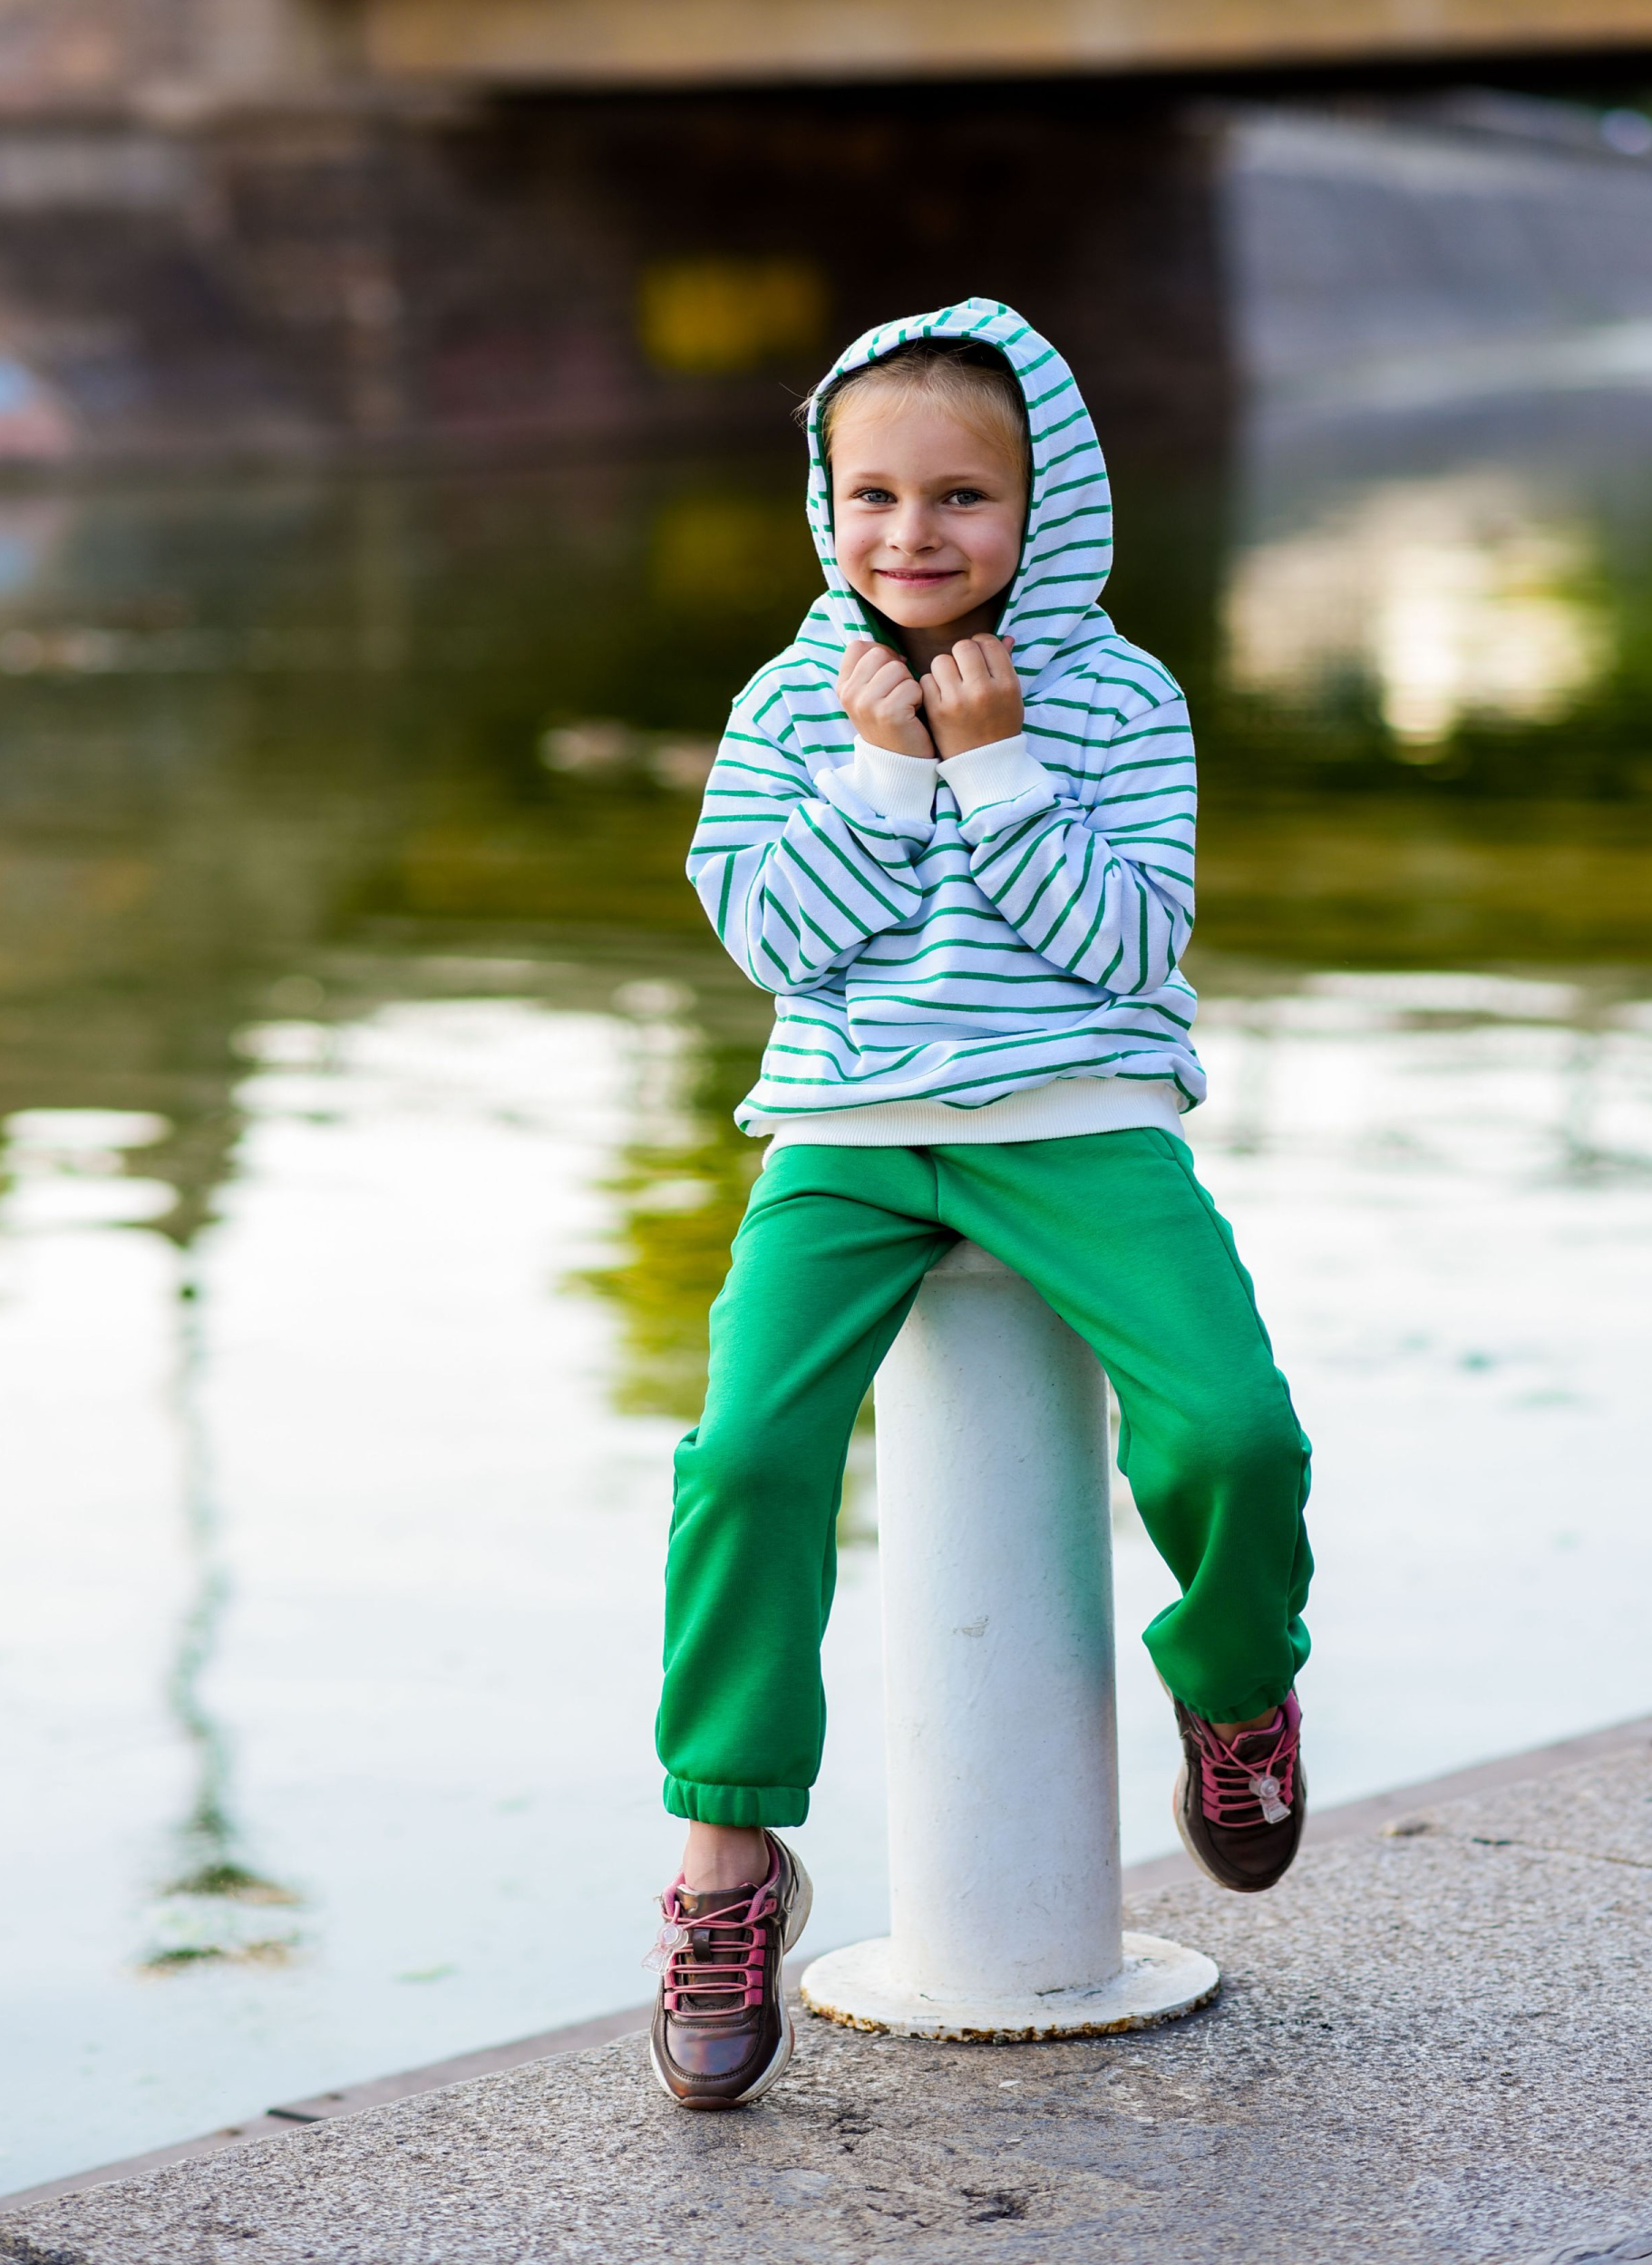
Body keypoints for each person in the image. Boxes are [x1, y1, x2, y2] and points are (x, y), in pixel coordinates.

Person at [647, 298, 1313, 2112]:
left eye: (962, 496)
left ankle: (1235, 1685)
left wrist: (1000, 762)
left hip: (1079, 1119)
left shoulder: (1120, 697)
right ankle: (725, 1857)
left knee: (1231, 1429)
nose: (912, 534)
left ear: (1044, 506)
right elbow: (772, 943)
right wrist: (881, 771)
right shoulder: (787, 699)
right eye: (872, 495)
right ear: (824, 503)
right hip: (845, 1132)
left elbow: (1128, 945)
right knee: (745, 1460)